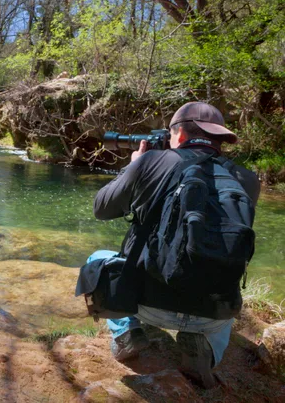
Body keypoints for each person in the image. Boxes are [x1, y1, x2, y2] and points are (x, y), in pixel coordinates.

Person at [89, 102, 260, 388]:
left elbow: (101, 209)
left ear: (179, 135)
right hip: (214, 313)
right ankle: (203, 347)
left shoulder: (152, 162)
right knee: (223, 283)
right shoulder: (248, 180)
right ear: (220, 140)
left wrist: (133, 168)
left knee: (97, 258)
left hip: (145, 304)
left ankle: (127, 334)